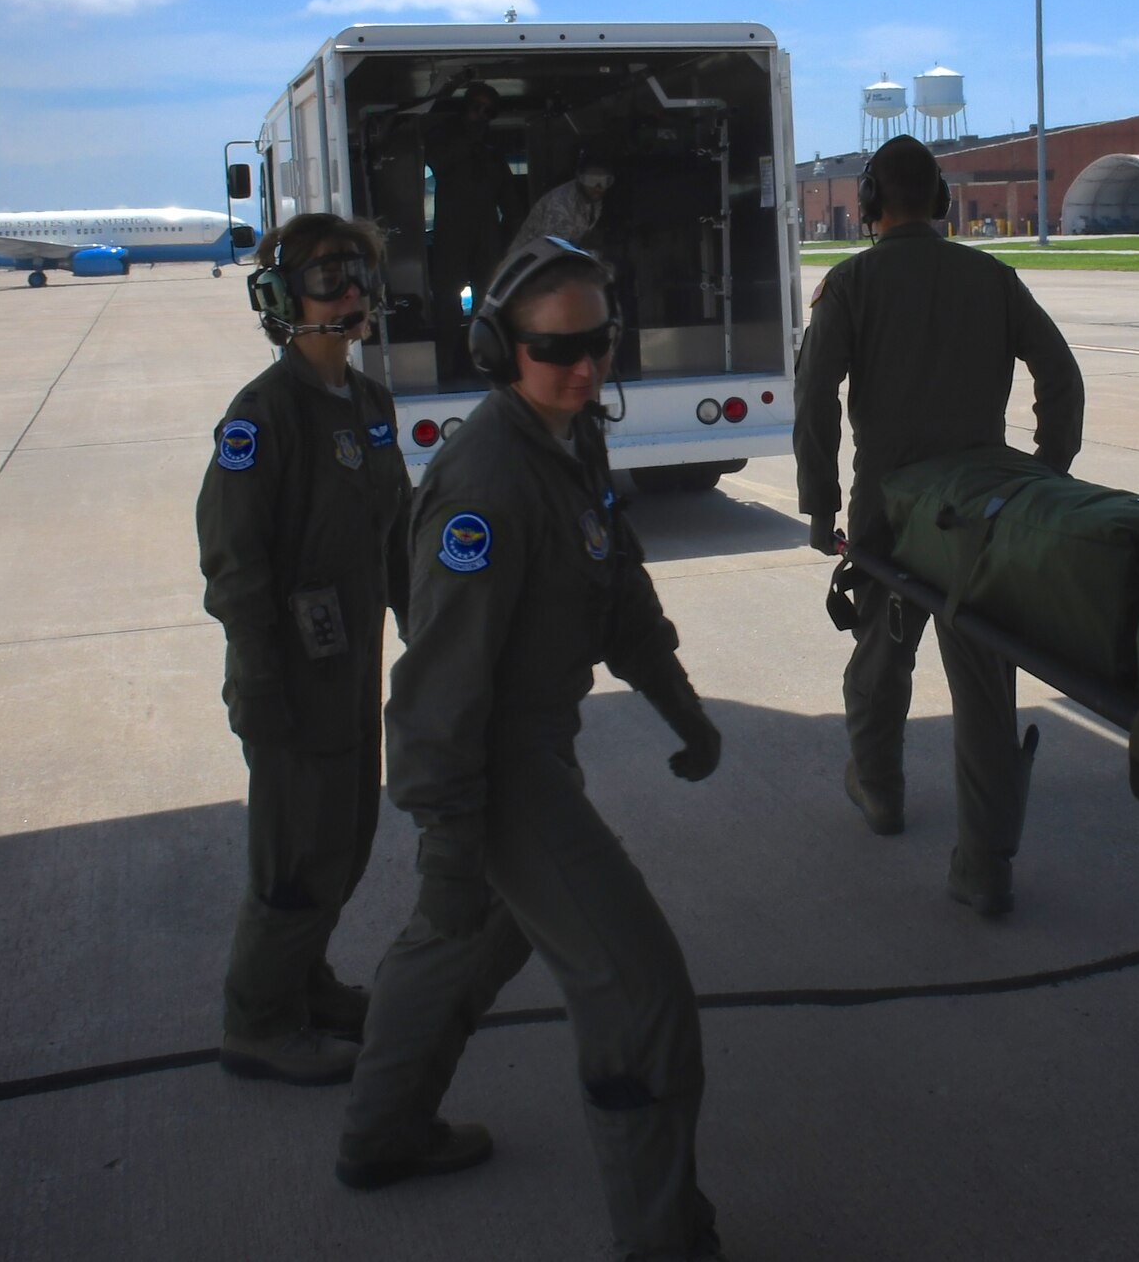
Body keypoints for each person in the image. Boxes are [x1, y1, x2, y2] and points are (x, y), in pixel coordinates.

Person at [339, 237, 728, 1262]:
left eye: (600, 341)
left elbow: (620, 592)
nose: (587, 366)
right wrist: (448, 829)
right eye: (558, 349)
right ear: (496, 349)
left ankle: (381, 1132)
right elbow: (438, 682)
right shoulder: (484, 484)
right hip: (496, 766)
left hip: (537, 745)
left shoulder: (572, 437)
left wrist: (682, 709)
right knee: (640, 995)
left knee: (463, 940)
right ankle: (663, 1238)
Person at [794, 133, 1085, 917]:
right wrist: (1043, 477)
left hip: (891, 515)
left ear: (867, 205)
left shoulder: (851, 283)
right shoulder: (992, 277)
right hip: (982, 518)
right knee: (986, 689)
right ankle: (983, 869)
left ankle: (881, 790)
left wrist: (820, 504)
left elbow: (815, 392)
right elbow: (1060, 374)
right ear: (946, 205)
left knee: (880, 660)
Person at [196, 213, 413, 1085]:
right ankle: (257, 1021)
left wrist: (427, 632)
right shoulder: (262, 416)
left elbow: (393, 534)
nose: (350, 291)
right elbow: (234, 568)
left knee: (348, 836)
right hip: (286, 674)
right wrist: (258, 686)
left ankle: (307, 980)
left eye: (358, 272)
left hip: (351, 663)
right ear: (283, 298)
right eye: (328, 275)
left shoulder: (370, 404)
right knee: (294, 854)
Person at [428, 82, 525, 388]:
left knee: (489, 304)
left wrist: (520, 242)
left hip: (487, 237)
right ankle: (445, 368)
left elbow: (511, 203)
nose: (481, 116)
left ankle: (483, 366)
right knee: (446, 306)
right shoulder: (447, 143)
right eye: (476, 109)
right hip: (451, 235)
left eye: (488, 112)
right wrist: (468, 140)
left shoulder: (493, 156)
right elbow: (437, 163)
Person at [511, 151, 614, 250]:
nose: (598, 187)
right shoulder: (559, 206)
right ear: (579, 178)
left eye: (605, 181)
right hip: (528, 262)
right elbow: (551, 251)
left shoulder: (592, 199)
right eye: (591, 180)